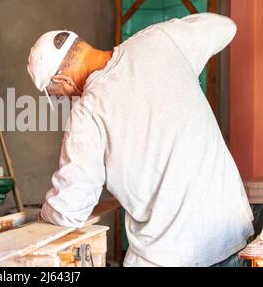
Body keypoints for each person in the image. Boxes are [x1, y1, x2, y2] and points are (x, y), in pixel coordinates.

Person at [26, 13, 254, 267]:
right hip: (229, 236)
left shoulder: (87, 112)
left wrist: (45, 213)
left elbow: (69, 210)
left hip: (170, 256)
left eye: (55, 94)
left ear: (62, 80)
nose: (62, 99)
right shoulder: (159, 41)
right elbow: (224, 27)